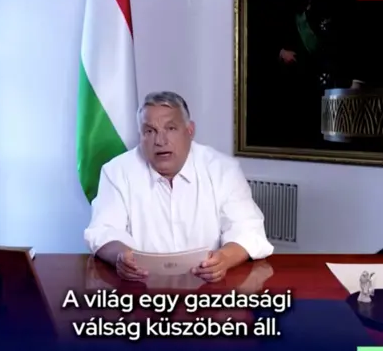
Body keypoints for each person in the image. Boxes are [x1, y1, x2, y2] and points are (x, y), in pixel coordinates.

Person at [84, 91, 274, 283]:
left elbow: (248, 229)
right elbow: (103, 230)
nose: (160, 141)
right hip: (141, 292)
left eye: (171, 128)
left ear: (190, 131)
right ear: (141, 135)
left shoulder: (222, 169)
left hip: (209, 292)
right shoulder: (116, 171)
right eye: (150, 131)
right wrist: (122, 257)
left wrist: (223, 259)